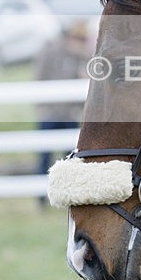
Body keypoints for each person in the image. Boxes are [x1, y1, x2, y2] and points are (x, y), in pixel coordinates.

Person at [35, 20, 91, 178]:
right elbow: (40, 77)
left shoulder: (83, 57)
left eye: (82, 40)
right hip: (50, 112)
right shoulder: (51, 52)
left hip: (69, 113)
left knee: (70, 154)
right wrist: (43, 107)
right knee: (45, 154)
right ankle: (40, 193)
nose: (79, 43)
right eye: (77, 38)